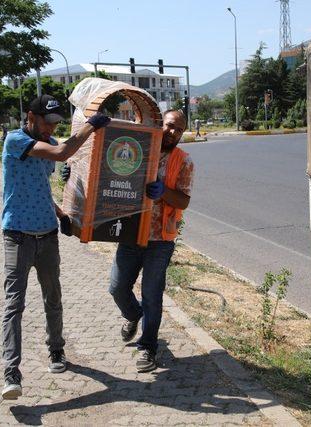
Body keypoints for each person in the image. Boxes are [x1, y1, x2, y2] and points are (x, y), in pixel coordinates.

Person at [1, 94, 110, 400]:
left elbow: (39, 188)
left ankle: (57, 352)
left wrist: (60, 214)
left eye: (55, 124)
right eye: (46, 123)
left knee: (53, 297)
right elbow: (63, 152)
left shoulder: (44, 143)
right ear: (30, 117)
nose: (51, 128)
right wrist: (89, 126)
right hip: (18, 237)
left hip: (46, 235)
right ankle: (11, 372)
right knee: (14, 305)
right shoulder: (15, 140)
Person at [110, 109, 194, 372]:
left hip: (161, 239)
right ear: (160, 124)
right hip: (132, 233)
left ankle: (148, 348)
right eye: (170, 126)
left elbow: (184, 200)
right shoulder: (139, 150)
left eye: (179, 130)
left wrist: (163, 191)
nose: (173, 133)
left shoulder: (184, 161)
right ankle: (133, 315)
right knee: (117, 288)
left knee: (152, 296)